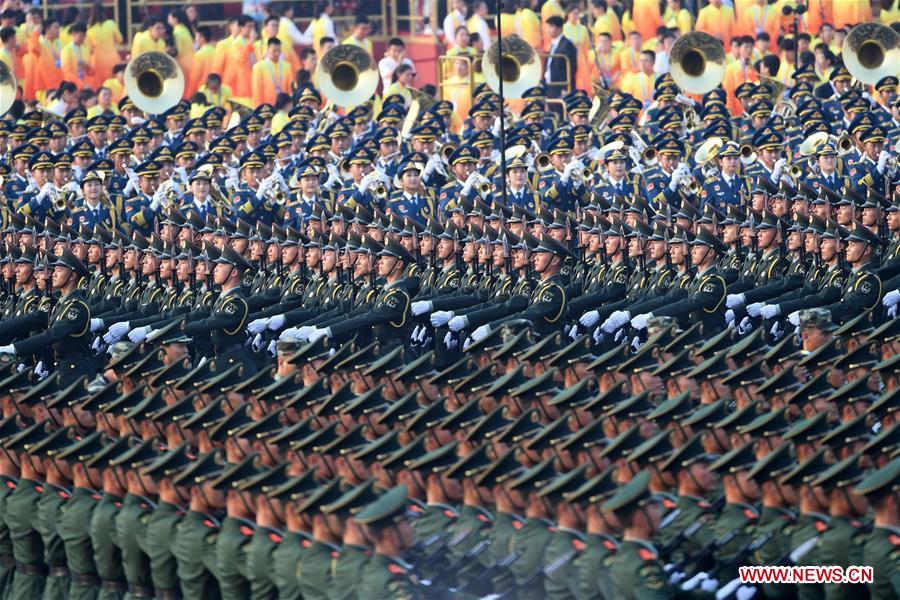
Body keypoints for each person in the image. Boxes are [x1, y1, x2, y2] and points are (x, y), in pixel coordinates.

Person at [543, 16, 577, 99]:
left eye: (551, 27)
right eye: (548, 27)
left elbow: (571, 68)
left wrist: (565, 88)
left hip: (561, 88)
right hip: (551, 86)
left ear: (559, 29)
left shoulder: (567, 45)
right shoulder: (552, 44)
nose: (548, 30)